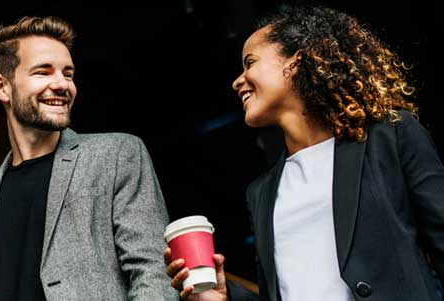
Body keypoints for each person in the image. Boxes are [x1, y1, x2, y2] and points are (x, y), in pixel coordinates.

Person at [166, 4, 444, 301]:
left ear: (296, 63)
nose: (238, 80)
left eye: (250, 63)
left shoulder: (391, 137)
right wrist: (225, 296)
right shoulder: (261, 193)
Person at [0, 16, 177, 301]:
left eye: (68, 74)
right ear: (2, 87)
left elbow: (155, 273)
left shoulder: (117, 154)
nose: (62, 85)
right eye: (43, 72)